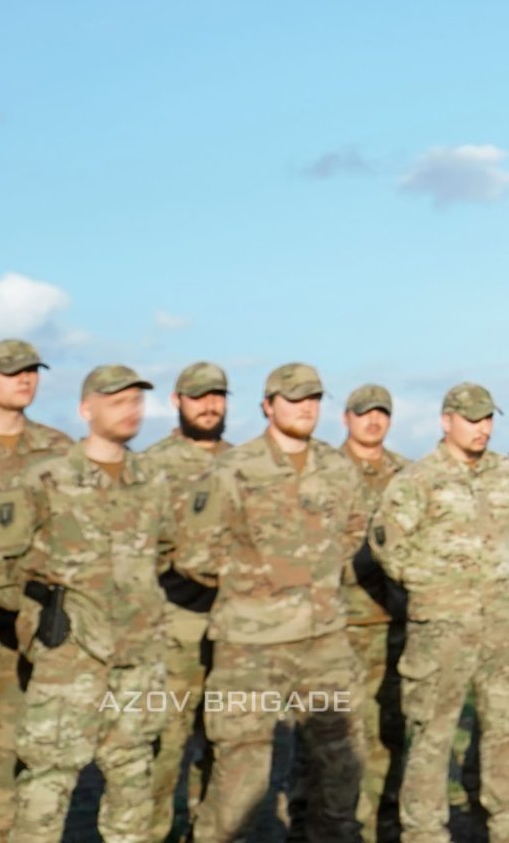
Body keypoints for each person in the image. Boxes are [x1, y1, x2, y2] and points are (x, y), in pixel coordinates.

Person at [169, 361, 366, 843]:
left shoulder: (338, 468)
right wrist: (257, 579)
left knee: (340, 767)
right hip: (250, 644)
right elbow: (193, 553)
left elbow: (353, 530)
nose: (305, 408)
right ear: (268, 405)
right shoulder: (232, 469)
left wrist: (310, 579)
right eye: (294, 399)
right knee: (242, 776)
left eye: (314, 399)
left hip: (324, 641)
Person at [370, 384, 509, 843]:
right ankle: (424, 831)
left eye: (488, 418)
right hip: (441, 627)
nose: (482, 428)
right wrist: (435, 584)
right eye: (472, 419)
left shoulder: (504, 475)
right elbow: (387, 544)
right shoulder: (418, 479)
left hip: (501, 621)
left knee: (508, 724)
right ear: (446, 420)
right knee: (432, 733)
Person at [11, 365, 169, 843]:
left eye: (136, 401)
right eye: (117, 401)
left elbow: (167, 552)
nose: (131, 410)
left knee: (133, 779)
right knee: (46, 784)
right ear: (86, 409)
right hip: (68, 661)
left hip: (138, 660)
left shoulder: (154, 481)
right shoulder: (45, 479)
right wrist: (40, 625)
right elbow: (3, 564)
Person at [0, 337, 73, 843]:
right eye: (10, 371)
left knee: (6, 769)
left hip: (23, 631)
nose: (24, 378)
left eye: (31, 370)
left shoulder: (60, 451)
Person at [143, 359, 230, 841]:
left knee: (225, 747)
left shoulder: (242, 462)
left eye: (217, 395)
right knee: (164, 749)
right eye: (198, 396)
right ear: (177, 402)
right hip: (172, 629)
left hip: (234, 631)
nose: (210, 405)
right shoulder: (152, 466)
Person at [337, 383, 407, 840]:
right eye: (365, 413)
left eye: (381, 412)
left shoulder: (407, 473)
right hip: (339, 624)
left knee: (391, 730)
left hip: (394, 619)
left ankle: (386, 822)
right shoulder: (327, 470)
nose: (373, 420)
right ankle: (326, 826)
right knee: (337, 736)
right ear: (347, 418)